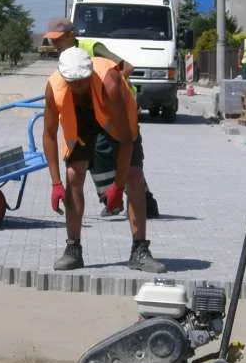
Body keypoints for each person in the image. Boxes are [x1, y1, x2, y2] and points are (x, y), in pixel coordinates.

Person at [42, 43, 167, 274]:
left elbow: (125, 142)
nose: (79, 86)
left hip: (117, 120)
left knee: (134, 176)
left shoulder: (109, 82)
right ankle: (73, 249)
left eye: (83, 80)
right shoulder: (54, 87)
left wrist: (118, 188)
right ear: (64, 78)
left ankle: (139, 249)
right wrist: (55, 183)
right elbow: (49, 135)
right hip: (80, 122)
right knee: (73, 175)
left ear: (90, 72)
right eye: (73, 82)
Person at [43, 17, 161, 219]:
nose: (54, 44)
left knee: (121, 158)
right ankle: (121, 199)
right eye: (51, 40)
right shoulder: (66, 56)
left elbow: (127, 67)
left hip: (114, 108)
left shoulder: (92, 48)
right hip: (91, 111)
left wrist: (115, 93)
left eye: (58, 39)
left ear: (71, 35)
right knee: (104, 157)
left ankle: (126, 200)